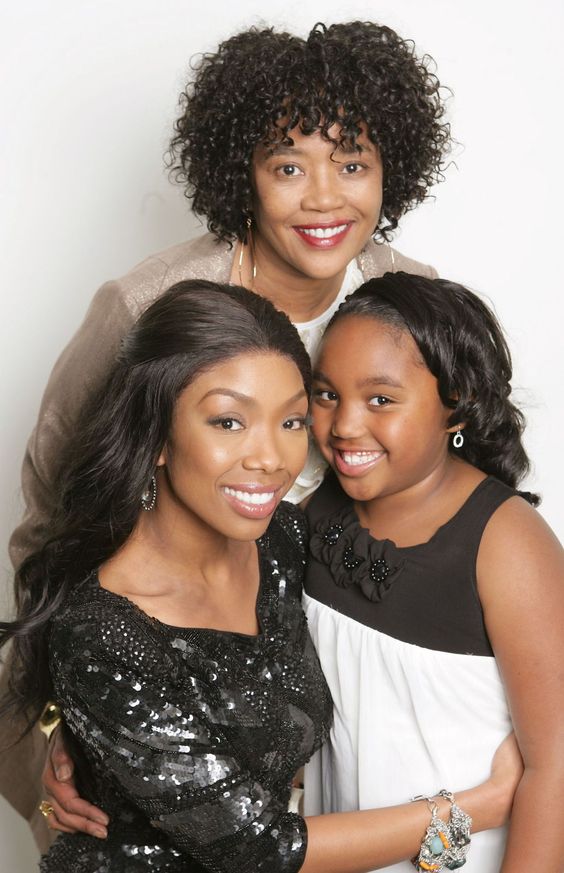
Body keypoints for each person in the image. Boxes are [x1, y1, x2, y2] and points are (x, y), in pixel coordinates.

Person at [2, 19, 450, 847]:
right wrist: (51, 728)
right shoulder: (145, 307)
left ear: (393, 170)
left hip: (341, 687)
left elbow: (455, 492)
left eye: (353, 163)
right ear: (241, 172)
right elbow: (50, 527)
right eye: (289, 166)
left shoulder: (415, 307)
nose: (325, 198)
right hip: (162, 702)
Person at [0, 281, 520, 872]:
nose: (270, 459)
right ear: (155, 435)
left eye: (292, 421)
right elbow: (262, 851)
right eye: (228, 422)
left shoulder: (284, 544)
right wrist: (477, 806)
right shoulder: (103, 632)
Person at [302, 273, 564, 871]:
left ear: (456, 404)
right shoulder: (317, 511)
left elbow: (556, 767)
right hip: (344, 850)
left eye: (381, 399)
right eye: (326, 394)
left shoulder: (505, 543)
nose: (344, 425)